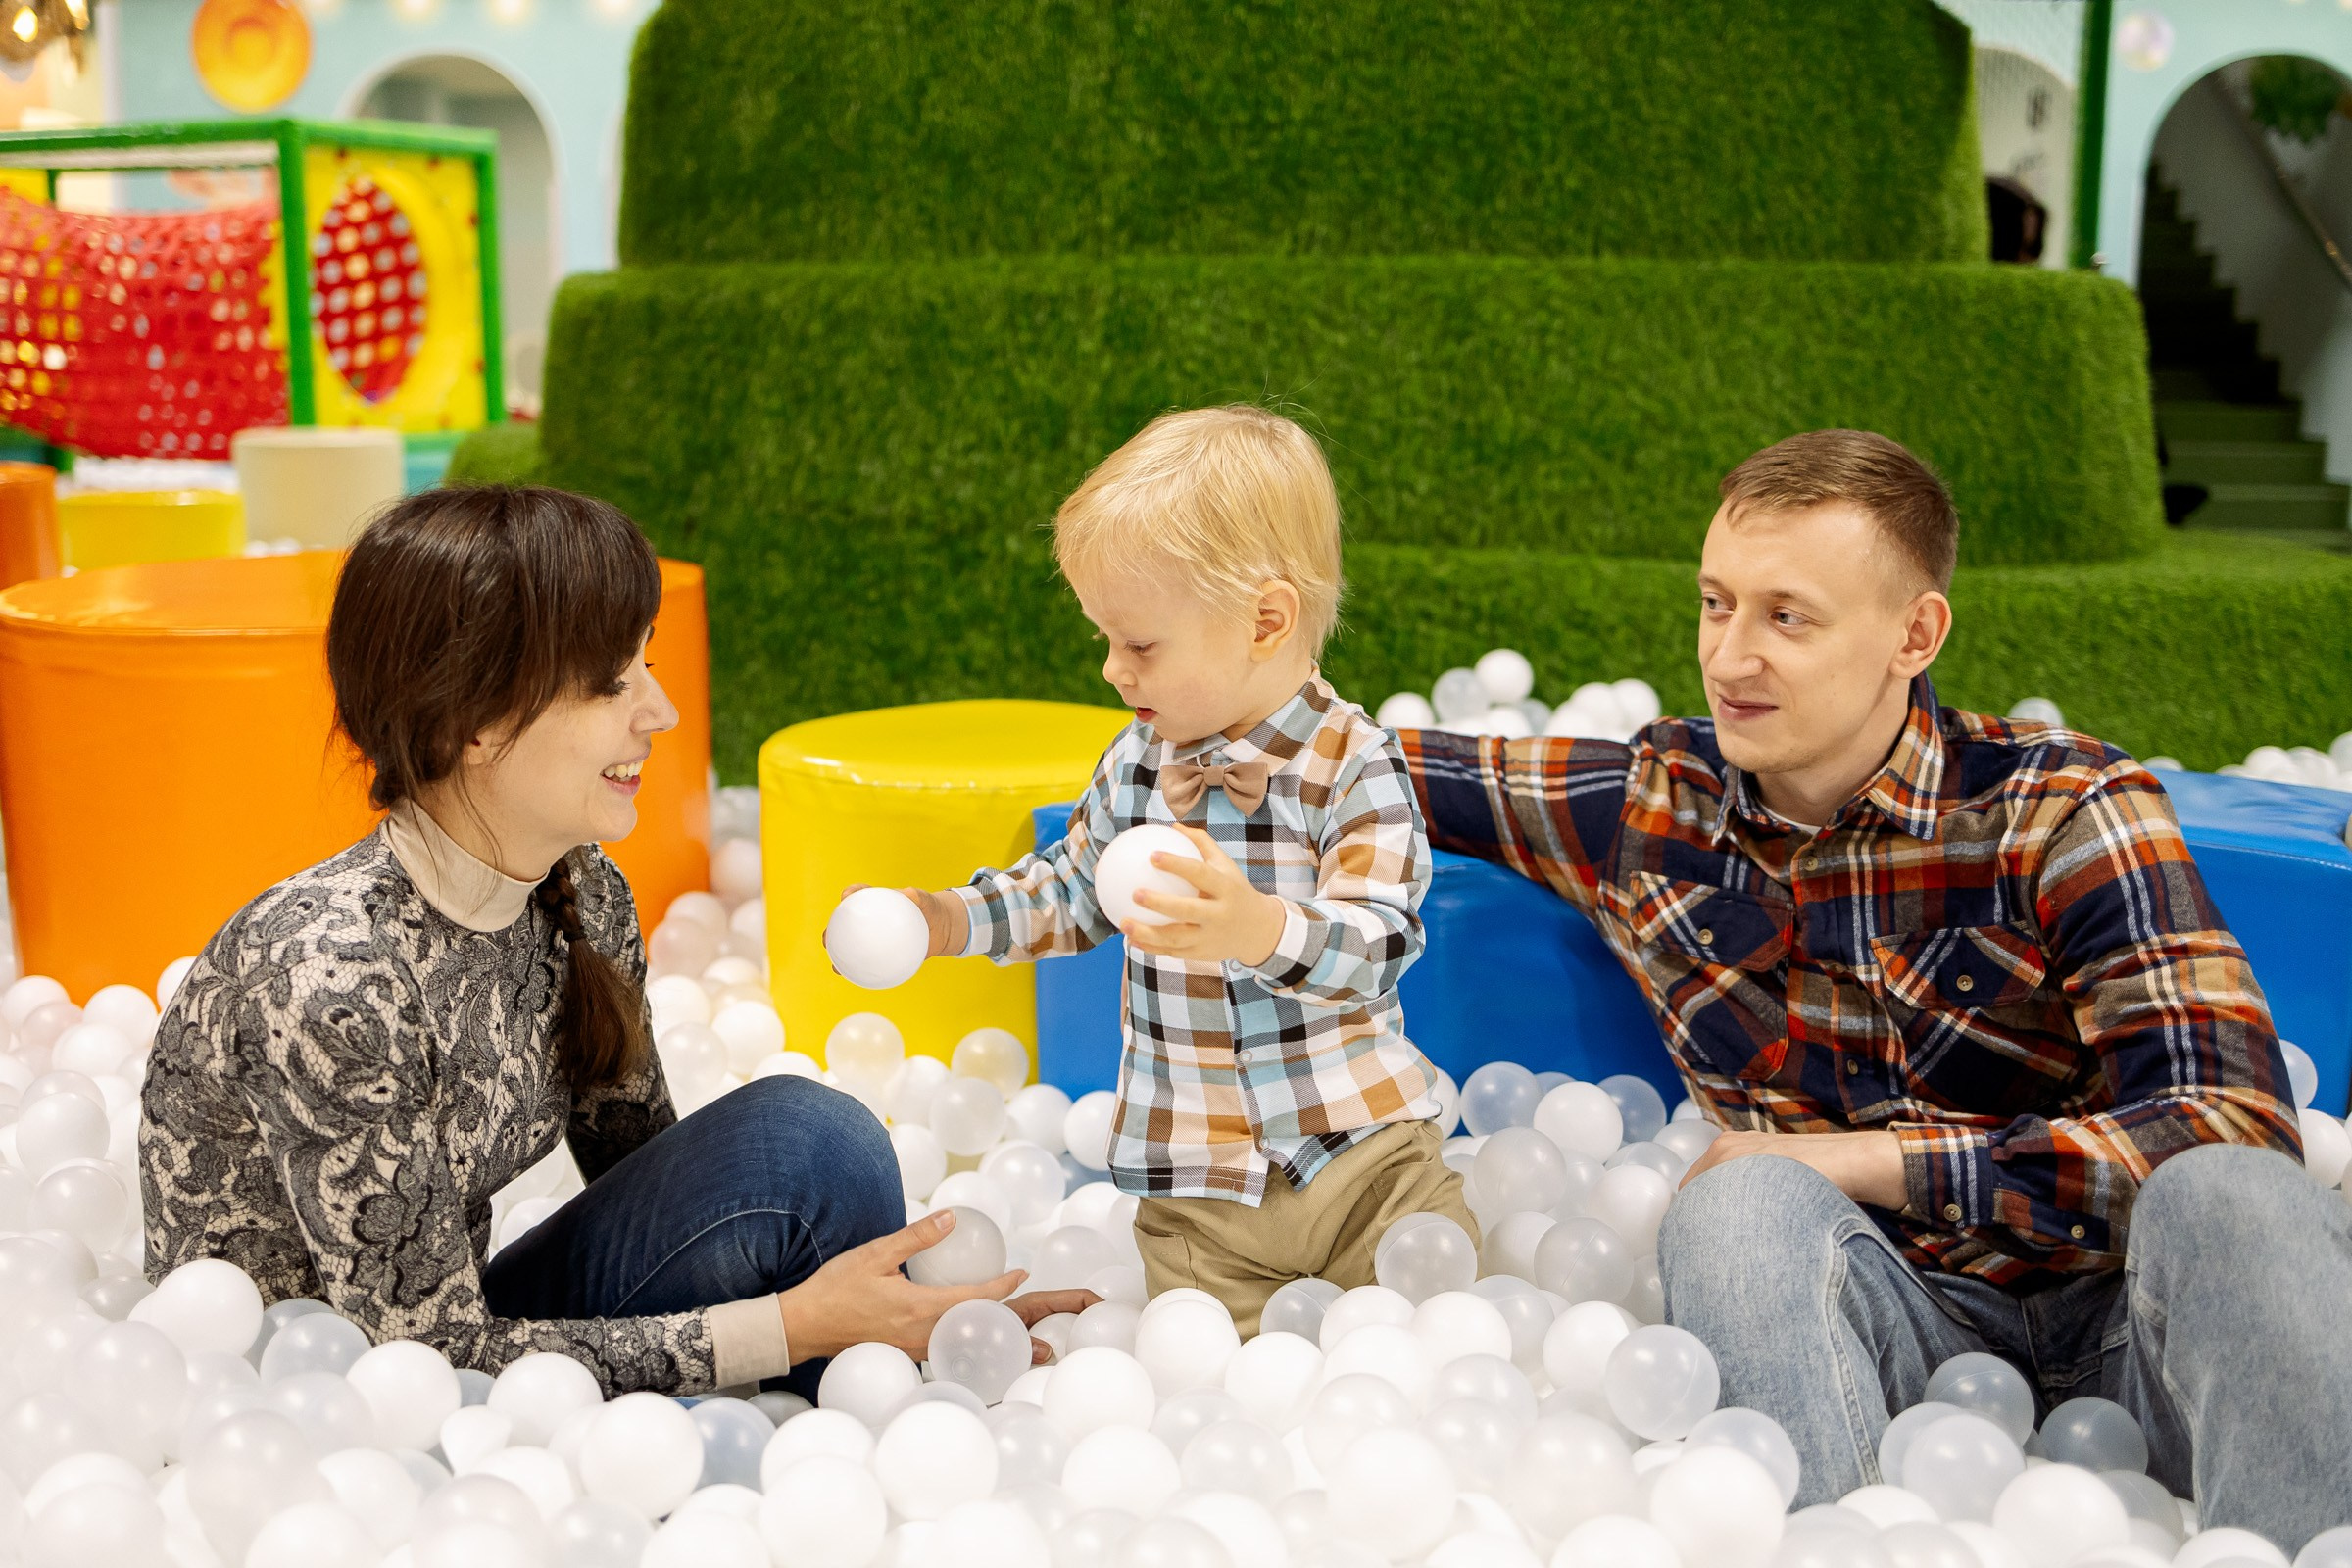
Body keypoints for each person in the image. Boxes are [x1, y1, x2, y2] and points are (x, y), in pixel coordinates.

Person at [1401, 429, 2346, 1543]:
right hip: (1878, 1336)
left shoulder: (2060, 808)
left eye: (1786, 617)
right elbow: (1359, 766)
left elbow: (2229, 1126)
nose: (1731, 657)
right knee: (1736, 1203)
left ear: (1915, 632)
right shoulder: (1653, 809)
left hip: (2134, 1327)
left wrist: (1868, 1159)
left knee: (2231, 1193)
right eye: (1717, 604)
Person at [141, 484, 1089, 1397]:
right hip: (320, 1398)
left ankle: (887, 1381)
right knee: (805, 1195)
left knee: (810, 1141)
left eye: (648, 664)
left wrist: (930, 1316)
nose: (661, 713)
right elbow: (418, 1360)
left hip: (470, 1330)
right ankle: (861, 1389)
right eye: (611, 683)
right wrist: (795, 1327)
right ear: (473, 720)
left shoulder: (581, 890)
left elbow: (667, 1182)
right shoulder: (331, 977)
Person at [878, 405, 1474, 1334]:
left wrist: (1256, 928)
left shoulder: (1352, 763)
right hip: (1197, 1191)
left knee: (1432, 1330)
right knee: (1213, 1382)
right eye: (1105, 640)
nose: (1115, 671)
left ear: (1265, 621)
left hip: (1365, 1163)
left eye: (1141, 644)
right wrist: (948, 918)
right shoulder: (1137, 764)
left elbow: (1381, 943)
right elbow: (1070, 889)